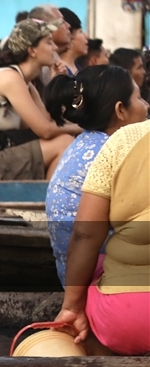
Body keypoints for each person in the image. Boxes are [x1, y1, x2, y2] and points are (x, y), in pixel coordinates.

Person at [44, 66, 148, 286]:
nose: (146, 106)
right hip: (99, 275)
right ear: (120, 111)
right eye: (139, 98)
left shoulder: (84, 141)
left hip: (74, 273)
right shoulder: (115, 151)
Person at [54, 119, 150, 356]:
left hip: (131, 318)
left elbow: (86, 234)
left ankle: (103, 362)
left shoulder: (124, 140)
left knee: (94, 271)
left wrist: (72, 307)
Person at [0, 20, 81, 181]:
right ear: (32, 51)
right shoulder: (10, 78)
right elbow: (45, 130)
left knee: (63, 140)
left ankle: (47, 197)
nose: (55, 48)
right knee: (64, 143)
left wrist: (56, 81)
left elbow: (47, 121)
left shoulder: (25, 83)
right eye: (49, 42)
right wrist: (84, 127)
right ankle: (49, 201)